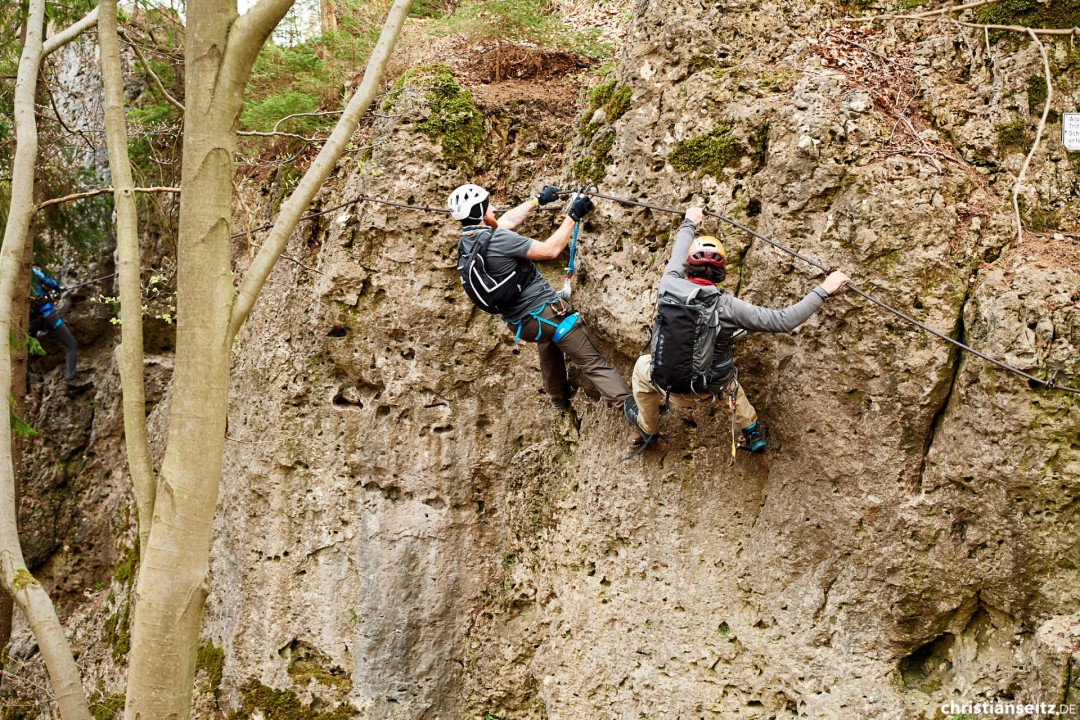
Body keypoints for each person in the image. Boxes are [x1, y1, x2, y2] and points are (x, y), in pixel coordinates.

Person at [625, 206, 849, 454]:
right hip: (709, 390)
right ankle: (751, 431)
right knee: (727, 375)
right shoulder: (729, 307)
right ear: (721, 272)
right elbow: (784, 321)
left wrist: (690, 221)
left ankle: (648, 429)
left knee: (641, 367)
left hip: (664, 384)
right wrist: (825, 289)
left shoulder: (668, 285)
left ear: (687, 265)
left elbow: (678, 252)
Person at [449, 183, 632, 411]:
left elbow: (507, 221)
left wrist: (538, 200)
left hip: (520, 324)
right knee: (592, 362)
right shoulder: (500, 240)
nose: (494, 208)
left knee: (548, 336)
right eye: (489, 205)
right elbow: (550, 250)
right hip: (547, 314)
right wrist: (573, 215)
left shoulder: (469, 242)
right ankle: (636, 416)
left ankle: (557, 395)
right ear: (480, 213)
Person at [30, 266, 93, 396]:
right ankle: (71, 381)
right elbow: (50, 283)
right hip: (48, 316)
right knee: (71, 344)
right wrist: (58, 288)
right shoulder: (32, 272)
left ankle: (26, 386)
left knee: (24, 355)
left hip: (30, 323)